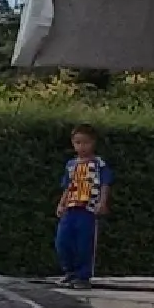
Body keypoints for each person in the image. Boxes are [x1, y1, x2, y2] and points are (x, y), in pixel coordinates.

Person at [55, 124, 112, 289]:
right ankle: (69, 272)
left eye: (86, 142)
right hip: (70, 207)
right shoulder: (71, 165)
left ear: (93, 143)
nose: (82, 146)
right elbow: (68, 185)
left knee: (84, 243)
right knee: (63, 241)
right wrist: (61, 203)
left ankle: (83, 276)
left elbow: (105, 184)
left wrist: (102, 202)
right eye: (78, 142)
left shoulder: (99, 164)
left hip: (87, 209)